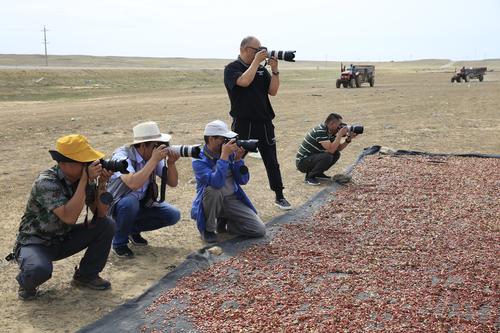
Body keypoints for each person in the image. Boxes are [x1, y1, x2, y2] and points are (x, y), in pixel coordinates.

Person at [10, 134, 115, 300]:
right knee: (39, 270)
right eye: (85, 162)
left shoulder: (82, 179)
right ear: (65, 163)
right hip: (36, 242)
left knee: (106, 224)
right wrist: (85, 180)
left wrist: (102, 184)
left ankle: (86, 275)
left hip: (63, 238)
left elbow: (101, 213)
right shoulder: (46, 182)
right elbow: (69, 217)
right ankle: (26, 283)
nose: (89, 165)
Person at [224, 36, 291, 210]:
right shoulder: (232, 68)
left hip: (264, 123)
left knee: (272, 161)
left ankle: (279, 196)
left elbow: (273, 91)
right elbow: (244, 82)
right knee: (235, 158)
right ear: (246, 49)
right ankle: (227, 193)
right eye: (257, 49)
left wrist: (275, 70)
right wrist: (256, 63)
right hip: (244, 123)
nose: (261, 52)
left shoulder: (261, 70)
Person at [106, 121, 181, 258]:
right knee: (130, 203)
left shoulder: (151, 156)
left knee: (173, 215)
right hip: (118, 206)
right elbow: (133, 184)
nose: (158, 148)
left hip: (142, 203)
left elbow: (173, 182)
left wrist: (170, 163)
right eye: (155, 145)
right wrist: (153, 161)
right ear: (142, 145)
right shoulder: (122, 157)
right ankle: (119, 242)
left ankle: (130, 230)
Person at [191, 120, 266, 243]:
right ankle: (208, 229)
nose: (227, 142)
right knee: (213, 190)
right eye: (223, 139)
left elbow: (243, 181)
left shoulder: (229, 153)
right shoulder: (199, 158)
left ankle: (227, 223)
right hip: (211, 200)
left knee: (259, 230)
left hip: (231, 198)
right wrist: (224, 156)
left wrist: (238, 160)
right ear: (211, 139)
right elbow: (216, 183)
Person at [296, 113, 357, 185]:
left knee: (336, 154)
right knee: (328, 156)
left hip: (311, 158)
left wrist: (348, 139)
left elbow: (338, 148)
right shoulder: (320, 131)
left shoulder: (330, 132)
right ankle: (309, 177)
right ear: (332, 123)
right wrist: (340, 134)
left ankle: (318, 173)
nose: (341, 127)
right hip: (302, 162)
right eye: (339, 124)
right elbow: (331, 150)